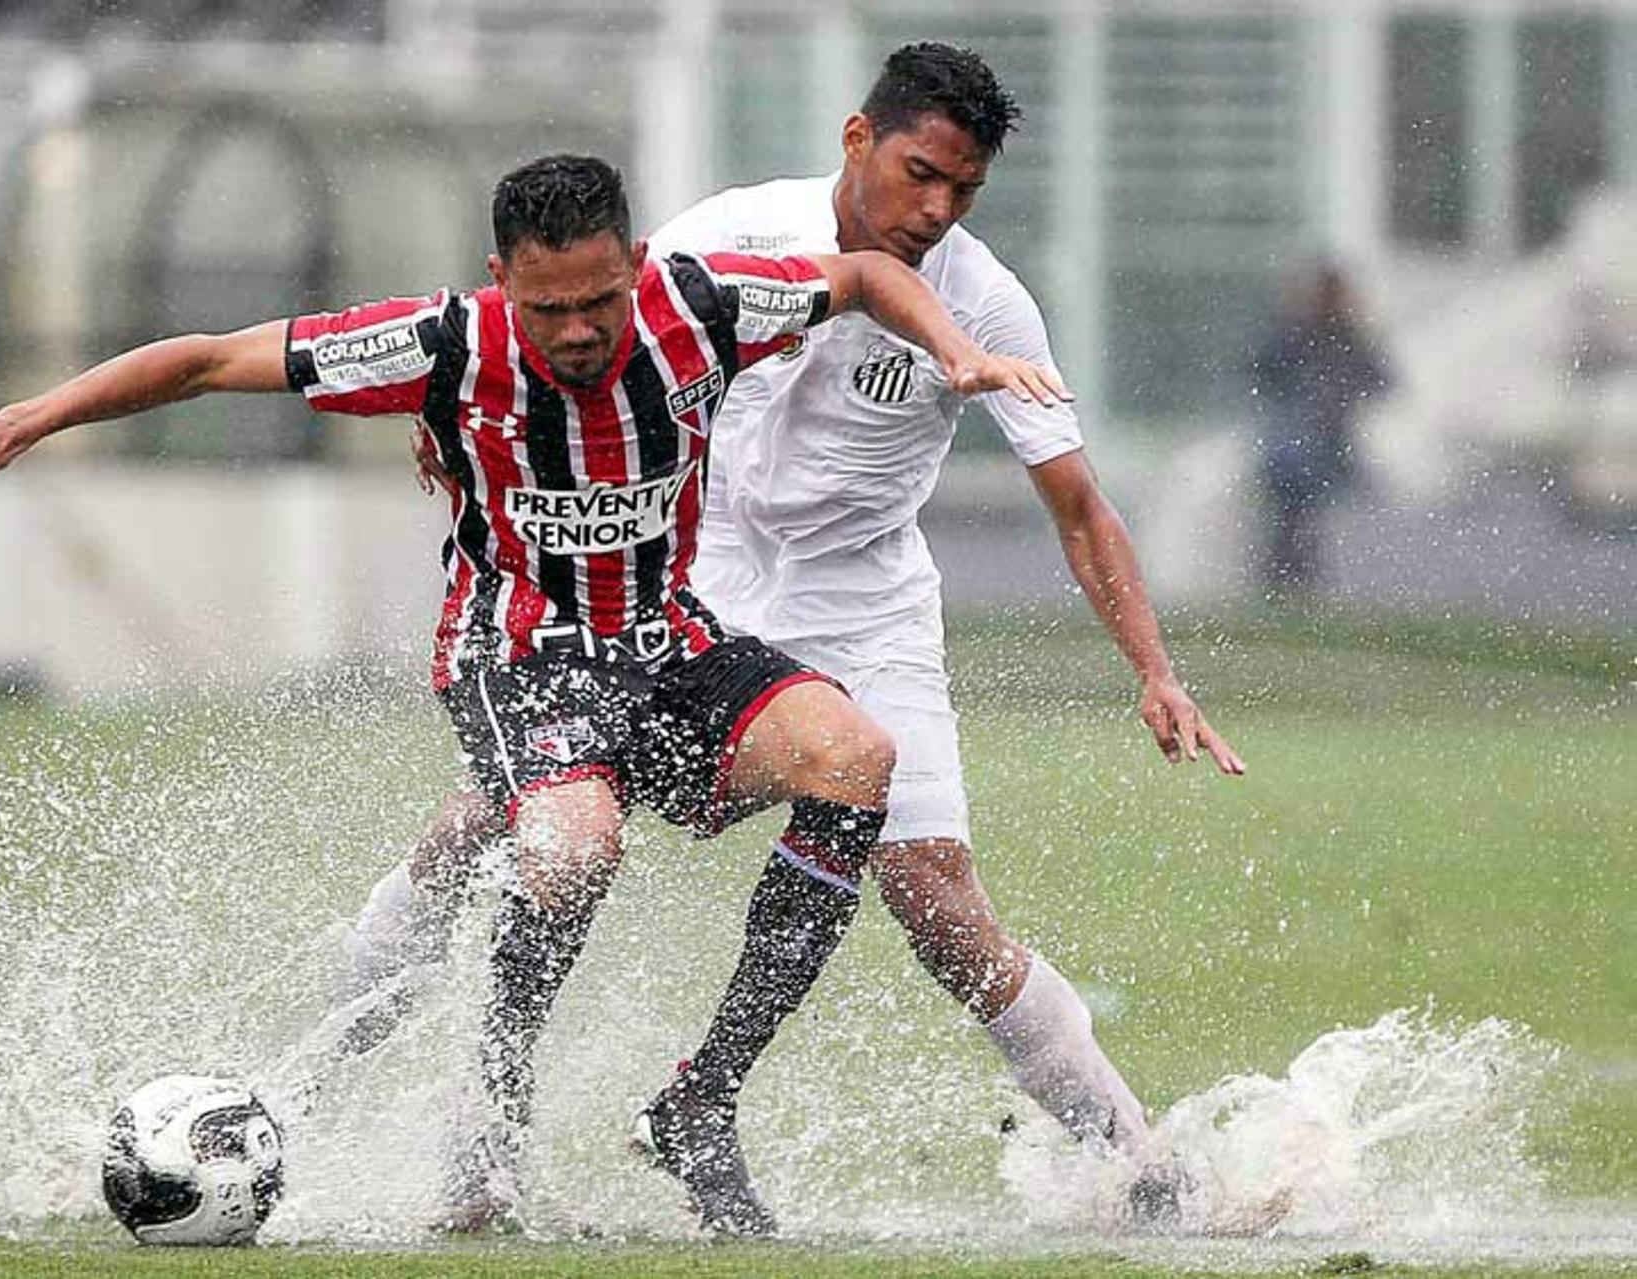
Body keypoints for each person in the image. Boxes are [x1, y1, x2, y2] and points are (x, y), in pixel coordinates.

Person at [0, 152, 1070, 1233]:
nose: (578, 333)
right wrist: (31, 416)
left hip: (670, 646)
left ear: (639, 266)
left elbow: (864, 272)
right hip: (517, 657)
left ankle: (701, 1099)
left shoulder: (704, 306)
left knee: (857, 759)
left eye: (600, 302)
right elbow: (205, 360)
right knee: (574, 845)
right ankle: (489, 1115)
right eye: (547, 309)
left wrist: (956, 353)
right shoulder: (441, 341)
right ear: (503, 280)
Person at [316, 44, 1244, 1236]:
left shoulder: (986, 302)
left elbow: (1080, 505)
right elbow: (549, 316)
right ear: (858, 138)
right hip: (684, 570)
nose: (936, 209)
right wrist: (457, 425)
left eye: (963, 190)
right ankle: (341, 1074)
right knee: (510, 820)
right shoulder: (728, 236)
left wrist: (1155, 670)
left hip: (865, 598)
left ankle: (1137, 1160)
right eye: (919, 174)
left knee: (938, 896)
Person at [1251, 262, 1393, 596]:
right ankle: (1288, 571)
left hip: (1330, 442)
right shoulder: (1295, 335)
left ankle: (1296, 572)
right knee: (1294, 507)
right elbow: (1262, 372)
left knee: (1309, 512)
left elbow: (1380, 380)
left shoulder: (1347, 338)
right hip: (1296, 443)